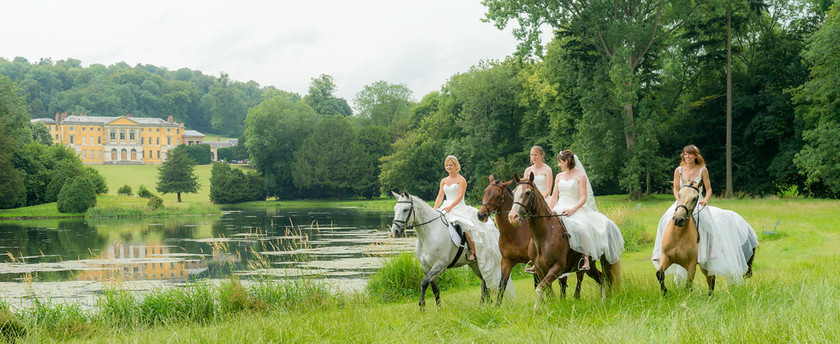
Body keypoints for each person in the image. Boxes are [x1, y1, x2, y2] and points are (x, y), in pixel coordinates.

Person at [651, 145, 759, 282]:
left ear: (696, 156)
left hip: (697, 201)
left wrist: (706, 200)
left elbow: (708, 189)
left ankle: (711, 250)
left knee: (707, 222)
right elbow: (676, 188)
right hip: (682, 201)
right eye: (685, 154)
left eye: (690, 154)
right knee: (665, 218)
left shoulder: (703, 170)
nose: (687, 157)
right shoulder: (678, 170)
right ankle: (661, 251)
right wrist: (678, 200)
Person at [542, 150, 625, 271]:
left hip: (575, 207)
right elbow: (554, 197)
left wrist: (573, 210)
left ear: (566, 161)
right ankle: (539, 258)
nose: (558, 165)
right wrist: (548, 211)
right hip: (560, 206)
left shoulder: (580, 176)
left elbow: (583, 198)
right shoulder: (559, 176)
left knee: (582, 227)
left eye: (560, 162)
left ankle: (585, 258)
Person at [433, 155, 497, 262]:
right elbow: (440, 196)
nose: (449, 167)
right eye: (447, 165)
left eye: (451, 165)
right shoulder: (443, 180)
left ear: (456, 166)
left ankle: (472, 251)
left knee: (464, 226)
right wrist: (435, 208)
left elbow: (460, 196)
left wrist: (451, 207)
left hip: (458, 207)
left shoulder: (461, 180)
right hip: (446, 206)